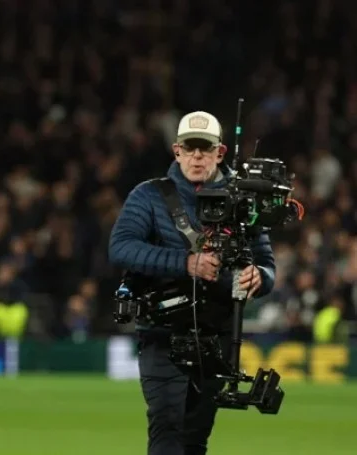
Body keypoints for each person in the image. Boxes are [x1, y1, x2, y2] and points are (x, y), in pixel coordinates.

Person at [108, 111, 277, 455]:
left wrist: (259, 277)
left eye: (205, 148)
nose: (197, 156)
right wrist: (187, 264)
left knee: (195, 439)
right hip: (162, 331)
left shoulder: (245, 200)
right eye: (190, 147)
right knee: (167, 428)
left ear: (221, 152)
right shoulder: (148, 196)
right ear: (177, 151)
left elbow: (266, 263)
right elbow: (121, 247)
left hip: (217, 336)